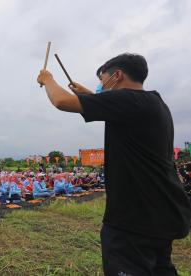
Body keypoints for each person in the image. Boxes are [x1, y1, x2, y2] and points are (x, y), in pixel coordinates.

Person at [37, 53, 191, 275]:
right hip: (159, 214)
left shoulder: (128, 100)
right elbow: (115, 109)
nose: (100, 86)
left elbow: (61, 101)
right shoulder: (152, 103)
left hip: (134, 220)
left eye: (102, 80)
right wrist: (89, 95)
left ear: (117, 76)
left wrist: (47, 78)